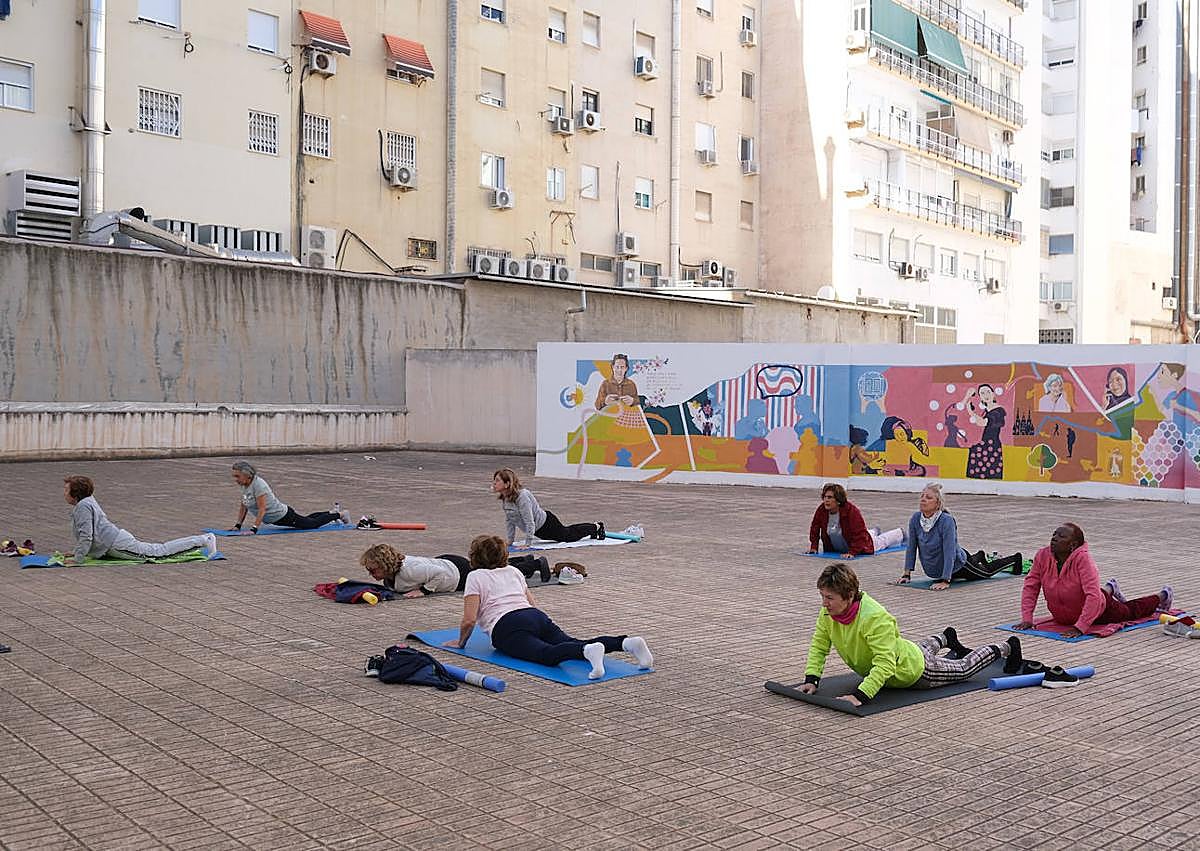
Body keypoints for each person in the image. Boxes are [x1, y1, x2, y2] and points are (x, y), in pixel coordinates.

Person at [799, 563, 1023, 707]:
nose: (824, 603)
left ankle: (1007, 646)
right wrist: (812, 678)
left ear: (848, 595)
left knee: (964, 668)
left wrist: (860, 695)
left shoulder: (874, 618)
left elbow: (885, 664)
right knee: (913, 649)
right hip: (903, 651)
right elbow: (819, 645)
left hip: (915, 672)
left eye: (829, 598)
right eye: (822, 596)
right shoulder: (827, 613)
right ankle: (946, 637)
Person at [442, 535, 653, 679]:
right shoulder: (513, 571)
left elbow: (469, 619)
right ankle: (627, 643)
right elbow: (532, 602)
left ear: (474, 557)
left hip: (507, 625)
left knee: (546, 654)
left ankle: (588, 650)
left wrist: (461, 643)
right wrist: (538, 624)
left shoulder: (475, 576)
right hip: (534, 616)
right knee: (569, 643)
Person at [1017, 522, 1173, 637]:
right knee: (1099, 593)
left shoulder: (1083, 559)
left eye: (1061, 536)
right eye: (1054, 534)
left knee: (1131, 611)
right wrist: (1027, 618)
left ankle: (1161, 596)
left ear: (1073, 545)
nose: (1054, 539)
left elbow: (1092, 596)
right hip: (1063, 616)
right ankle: (1109, 588)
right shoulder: (1042, 556)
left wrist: (1081, 626)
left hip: (1099, 612)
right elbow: (1031, 586)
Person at [63, 476, 217, 564]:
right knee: (158, 550)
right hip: (116, 540)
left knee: (159, 553)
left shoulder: (83, 506)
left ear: (75, 493)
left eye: (66, 490)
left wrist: (78, 559)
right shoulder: (86, 501)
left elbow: (87, 536)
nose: (64, 493)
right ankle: (203, 539)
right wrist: (76, 552)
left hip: (117, 544)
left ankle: (203, 540)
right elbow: (87, 534)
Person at [899, 484, 1022, 591]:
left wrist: (945, 580)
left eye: (928, 497)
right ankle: (979, 555)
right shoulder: (915, 518)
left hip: (959, 563)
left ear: (938, 503)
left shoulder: (946, 521)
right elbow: (911, 546)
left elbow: (949, 550)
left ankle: (1015, 559)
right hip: (938, 569)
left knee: (987, 572)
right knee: (972, 565)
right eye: (922, 496)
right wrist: (906, 574)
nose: (923, 500)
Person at [360, 543, 555, 595]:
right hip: (445, 563)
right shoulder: (391, 575)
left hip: (456, 572)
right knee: (491, 566)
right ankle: (526, 560)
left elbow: (439, 574)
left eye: (373, 570)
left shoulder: (410, 571)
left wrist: (424, 591)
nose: (371, 575)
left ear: (386, 566)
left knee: (494, 573)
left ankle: (535, 564)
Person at [493, 468, 604, 548]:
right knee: (568, 531)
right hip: (538, 531)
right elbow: (510, 520)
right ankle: (593, 528)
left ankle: (596, 526)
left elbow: (529, 521)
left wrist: (528, 543)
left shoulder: (522, 496)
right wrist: (510, 541)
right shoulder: (505, 498)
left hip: (547, 524)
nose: (494, 483)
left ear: (507, 484)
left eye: (497, 480)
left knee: (569, 535)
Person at [229, 461, 347, 534]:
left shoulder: (258, 485)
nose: (235, 479)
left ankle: (340, 514)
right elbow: (244, 505)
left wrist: (254, 529)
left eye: (237, 476)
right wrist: (238, 525)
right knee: (307, 519)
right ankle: (331, 512)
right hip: (277, 518)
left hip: (283, 515)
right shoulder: (245, 485)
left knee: (312, 524)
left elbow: (262, 508)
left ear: (247, 475)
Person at [807, 483, 904, 559]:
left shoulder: (851, 511)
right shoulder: (822, 510)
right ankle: (874, 531)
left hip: (860, 545)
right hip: (839, 545)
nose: (826, 500)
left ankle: (899, 533)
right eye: (824, 497)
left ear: (838, 500)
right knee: (867, 533)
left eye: (830, 497)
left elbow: (860, 534)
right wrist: (814, 547)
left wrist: (852, 552)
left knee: (882, 542)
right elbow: (814, 528)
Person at [963, 384, 1006, 480]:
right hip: (986, 441)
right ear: (980, 397)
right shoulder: (988, 410)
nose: (986, 395)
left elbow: (983, 422)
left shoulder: (998, 410)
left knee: (989, 469)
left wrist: (970, 411)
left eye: (988, 392)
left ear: (993, 394)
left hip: (992, 443)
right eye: (982, 393)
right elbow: (981, 422)